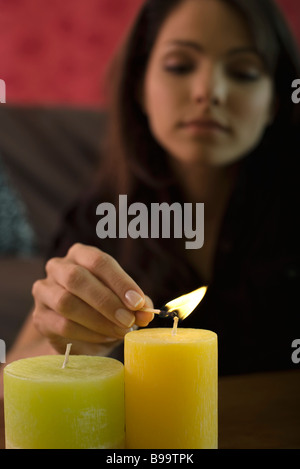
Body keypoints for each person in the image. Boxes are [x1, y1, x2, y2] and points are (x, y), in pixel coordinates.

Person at [4, 0, 300, 378]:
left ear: (274, 101)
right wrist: (66, 341)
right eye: (179, 66)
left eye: (243, 72)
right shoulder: (105, 217)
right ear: (140, 86)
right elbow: (11, 377)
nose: (208, 92)